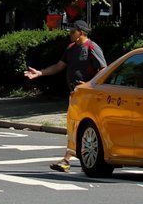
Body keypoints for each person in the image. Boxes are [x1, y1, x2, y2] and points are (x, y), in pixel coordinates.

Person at [23, 19, 107, 172]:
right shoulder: (71, 48)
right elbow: (58, 66)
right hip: (75, 94)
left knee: (79, 127)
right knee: (75, 127)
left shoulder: (92, 47)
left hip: (88, 95)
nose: (69, 34)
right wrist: (40, 73)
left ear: (81, 33)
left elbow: (104, 69)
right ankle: (78, 161)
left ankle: (68, 160)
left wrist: (89, 84)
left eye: (72, 32)